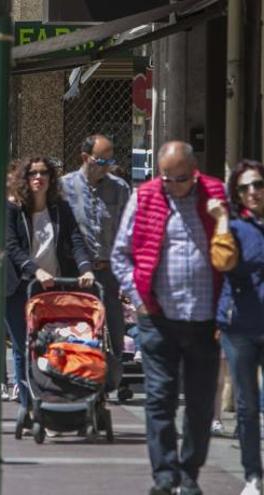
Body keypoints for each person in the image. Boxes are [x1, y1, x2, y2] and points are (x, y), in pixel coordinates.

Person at [111, 141, 226, 495]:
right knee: (159, 398)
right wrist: (139, 298)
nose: (172, 185)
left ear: (194, 173)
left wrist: (222, 217)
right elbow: (120, 254)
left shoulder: (215, 195)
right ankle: (164, 474)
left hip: (204, 319)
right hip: (158, 317)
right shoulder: (145, 196)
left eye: (180, 179)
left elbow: (232, 251)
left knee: (200, 401)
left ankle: (189, 473)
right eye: (166, 178)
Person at [4, 156, 94, 429]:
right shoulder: (13, 209)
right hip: (21, 287)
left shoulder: (60, 209)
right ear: (24, 178)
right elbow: (10, 246)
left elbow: (75, 240)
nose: (38, 178)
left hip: (54, 288)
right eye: (32, 173)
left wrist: (85, 268)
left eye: (44, 173)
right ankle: (29, 406)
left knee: (54, 344)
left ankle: (55, 399)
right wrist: (34, 270)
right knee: (23, 347)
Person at [60, 134, 132, 394]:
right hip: (75, 274)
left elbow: (128, 231)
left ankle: (111, 381)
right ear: (85, 158)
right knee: (77, 327)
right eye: (101, 161)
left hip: (108, 271)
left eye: (110, 160)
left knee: (114, 329)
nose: (106, 166)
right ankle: (77, 378)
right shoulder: (64, 187)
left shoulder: (120, 188)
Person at [210, 159, 264, 495]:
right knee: (245, 406)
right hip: (240, 326)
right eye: (245, 187)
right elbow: (222, 262)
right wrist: (220, 223)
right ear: (237, 193)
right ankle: (253, 476)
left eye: (258, 184)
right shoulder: (232, 226)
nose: (253, 192)